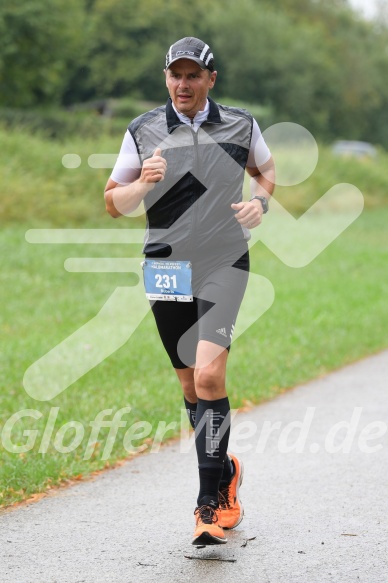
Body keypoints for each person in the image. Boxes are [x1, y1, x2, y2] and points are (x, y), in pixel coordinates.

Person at [104, 36, 275, 546]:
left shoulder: (241, 124)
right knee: (187, 386)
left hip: (224, 259)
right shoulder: (143, 130)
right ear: (166, 79)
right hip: (166, 266)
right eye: (174, 75)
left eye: (192, 75)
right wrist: (143, 184)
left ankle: (207, 507)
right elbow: (114, 202)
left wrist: (259, 204)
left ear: (210, 80)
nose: (183, 83)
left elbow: (265, 173)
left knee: (208, 374)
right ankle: (224, 474)